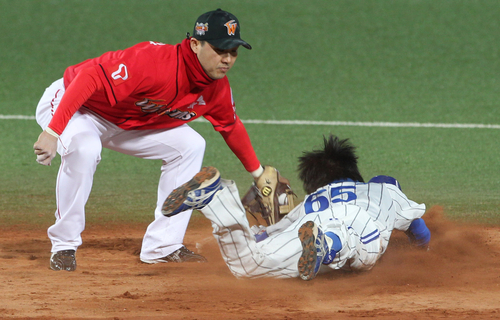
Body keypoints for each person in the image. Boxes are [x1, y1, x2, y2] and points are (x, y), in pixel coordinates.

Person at [33, 8, 269, 271]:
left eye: (233, 52)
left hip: (128, 122)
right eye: (219, 50)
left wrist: (259, 174)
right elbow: (88, 77)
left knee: (191, 145)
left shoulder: (216, 89)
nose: (226, 59)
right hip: (77, 105)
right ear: (195, 44)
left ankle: (163, 246)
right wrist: (53, 131)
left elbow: (230, 126)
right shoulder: (154, 61)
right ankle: (64, 244)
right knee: (86, 147)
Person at [161, 134, 431, 280]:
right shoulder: (382, 190)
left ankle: (218, 198)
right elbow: (420, 231)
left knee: (249, 266)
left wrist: (257, 235)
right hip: (356, 228)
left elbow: (270, 234)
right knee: (363, 253)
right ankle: (328, 243)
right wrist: (421, 252)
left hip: (308, 227)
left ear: (314, 184)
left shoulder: (309, 203)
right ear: (354, 173)